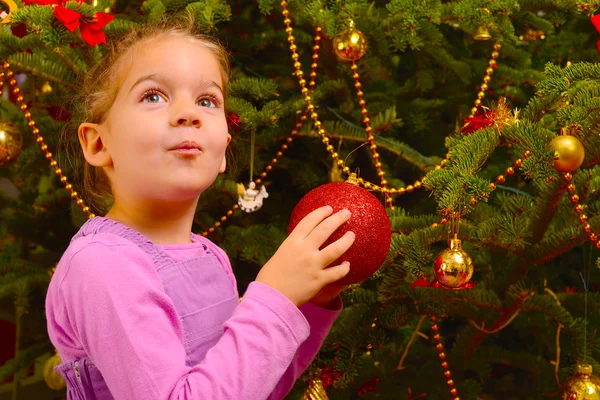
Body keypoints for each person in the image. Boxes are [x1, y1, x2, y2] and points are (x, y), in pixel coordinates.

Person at [45, 15, 356, 400]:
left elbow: (252, 387)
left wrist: (308, 303)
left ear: (223, 147)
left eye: (207, 101)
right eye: (153, 96)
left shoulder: (212, 258)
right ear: (98, 145)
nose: (188, 113)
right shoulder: (102, 266)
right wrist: (274, 296)